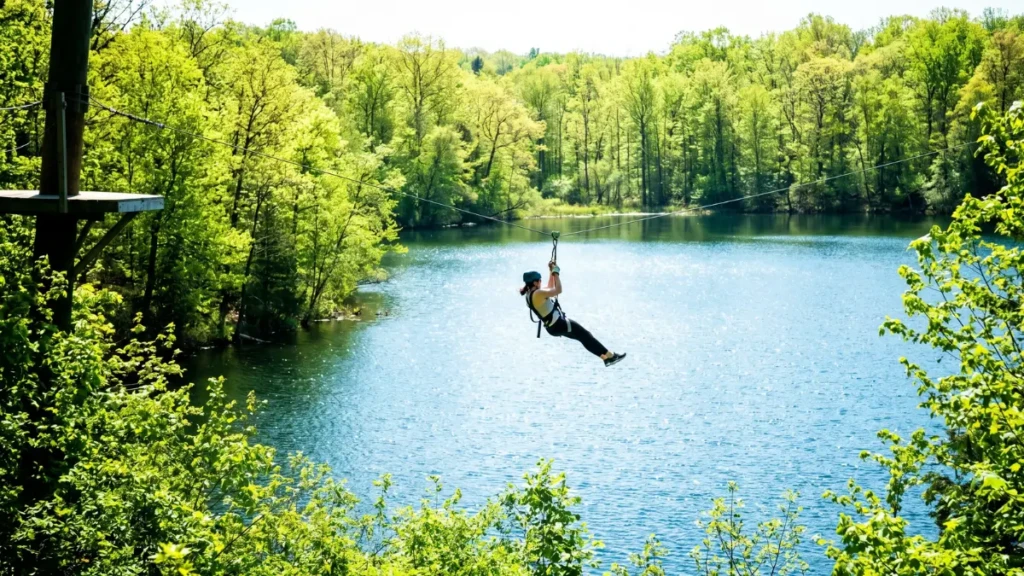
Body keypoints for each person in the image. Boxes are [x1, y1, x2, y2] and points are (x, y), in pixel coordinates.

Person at [521, 261, 626, 367]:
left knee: (583, 337)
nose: (540, 282)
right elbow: (558, 290)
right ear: (534, 283)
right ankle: (611, 356)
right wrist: (556, 272)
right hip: (559, 324)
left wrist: (551, 271)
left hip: (553, 328)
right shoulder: (537, 294)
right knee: (585, 335)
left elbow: (550, 287)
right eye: (539, 280)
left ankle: (605, 358)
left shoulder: (530, 295)